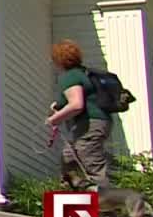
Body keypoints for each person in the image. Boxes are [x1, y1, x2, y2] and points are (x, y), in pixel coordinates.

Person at [45, 39, 113, 190]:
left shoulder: (70, 76)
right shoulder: (83, 73)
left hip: (89, 124)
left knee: (91, 163)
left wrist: (53, 119)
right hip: (98, 122)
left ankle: (107, 209)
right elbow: (83, 98)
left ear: (59, 60)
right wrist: (58, 106)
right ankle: (72, 198)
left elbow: (76, 105)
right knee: (69, 158)